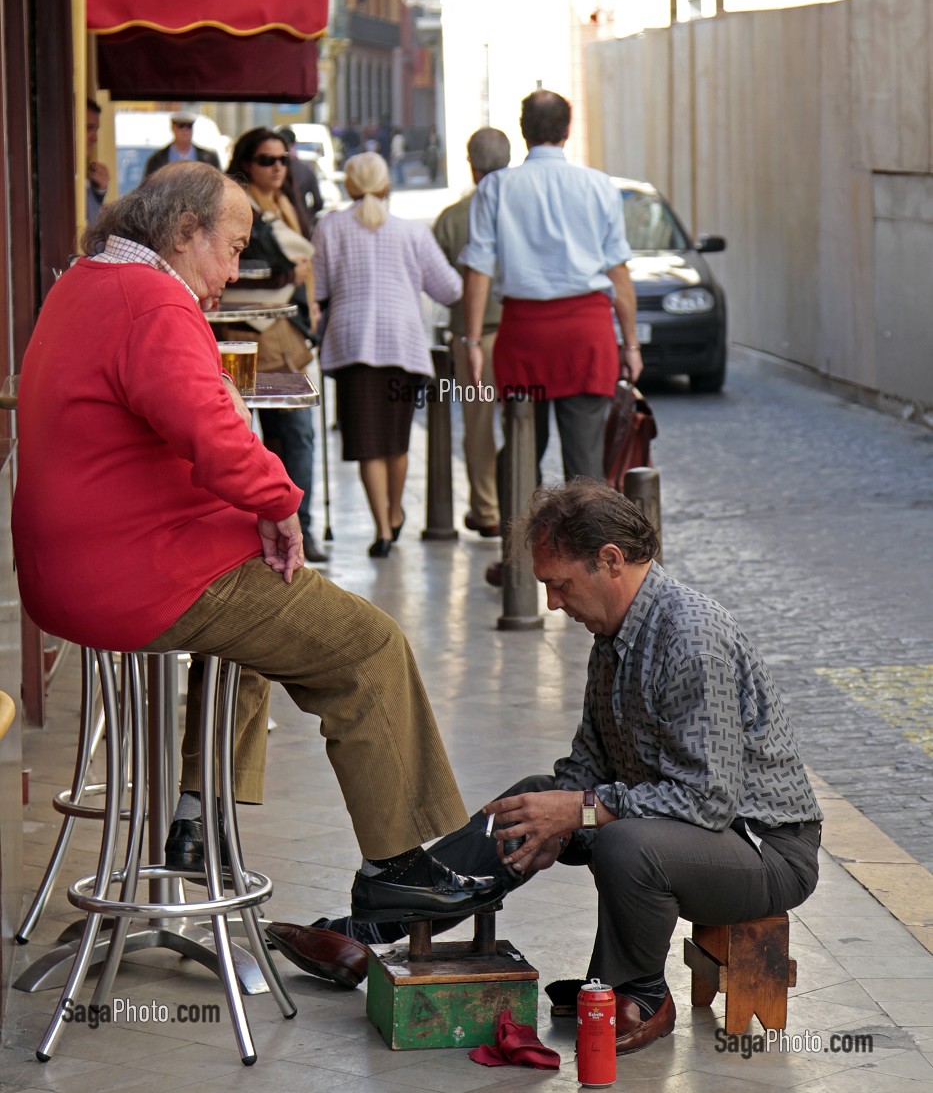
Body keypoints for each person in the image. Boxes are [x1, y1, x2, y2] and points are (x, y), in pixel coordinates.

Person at [11, 162, 501, 926]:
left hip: (67, 567)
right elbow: (211, 432)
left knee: (256, 625)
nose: (235, 272)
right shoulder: (153, 300)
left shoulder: (84, 278)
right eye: (233, 249)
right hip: (128, 575)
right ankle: (395, 866)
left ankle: (196, 814)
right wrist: (278, 501)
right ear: (184, 232)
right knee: (368, 646)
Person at [265, 480, 822, 1059]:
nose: (554, 603)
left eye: (560, 584)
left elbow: (708, 800)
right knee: (531, 802)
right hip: (687, 829)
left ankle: (640, 992)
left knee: (622, 841)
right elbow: (588, 765)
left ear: (611, 560)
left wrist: (581, 811)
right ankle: (376, 927)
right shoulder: (615, 636)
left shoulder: (690, 639)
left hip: (762, 850)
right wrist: (556, 817)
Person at [460, 89, 643, 586]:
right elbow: (619, 273)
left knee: (522, 451)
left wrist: (472, 341)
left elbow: (478, 271)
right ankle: (594, 571)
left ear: (523, 131)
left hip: (524, 336)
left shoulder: (496, 188)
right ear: (567, 129)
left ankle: (519, 562)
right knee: (586, 463)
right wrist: (630, 344)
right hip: (586, 333)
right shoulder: (598, 186)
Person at [313, 152, 461, 557]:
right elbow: (450, 289)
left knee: (368, 442)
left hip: (352, 346)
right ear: (386, 186)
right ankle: (395, 512)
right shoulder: (412, 232)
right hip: (402, 344)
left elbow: (319, 290)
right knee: (396, 440)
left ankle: (381, 528)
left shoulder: (329, 228)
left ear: (349, 186)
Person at [224, 127, 326, 564]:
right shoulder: (233, 204)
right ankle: (250, 527)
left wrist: (311, 306)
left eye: (284, 159)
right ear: (246, 163)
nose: (278, 167)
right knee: (244, 437)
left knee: (297, 435)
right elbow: (236, 268)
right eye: (267, 160)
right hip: (243, 334)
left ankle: (301, 523)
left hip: (287, 332)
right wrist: (287, 275)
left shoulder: (288, 200)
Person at [433, 128, 511, 537]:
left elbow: (438, 280)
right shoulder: (524, 207)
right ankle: (520, 499)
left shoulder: (452, 218)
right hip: (520, 335)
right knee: (523, 423)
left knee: (478, 427)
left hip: (471, 340)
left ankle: (487, 509)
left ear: (471, 166)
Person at [144, 111, 221, 177]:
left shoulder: (208, 158)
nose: (185, 130)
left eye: (189, 126)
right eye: (181, 126)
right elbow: (148, 186)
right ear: (173, 128)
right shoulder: (157, 160)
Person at [276, 125, 324, 224]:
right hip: (301, 220)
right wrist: (307, 215)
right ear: (294, 143)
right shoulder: (305, 170)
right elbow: (318, 203)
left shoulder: (269, 167)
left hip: (277, 219)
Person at [85, 98, 109, 224]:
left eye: (96, 130)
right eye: (88, 128)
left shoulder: (84, 167)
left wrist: (100, 191)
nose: (95, 138)